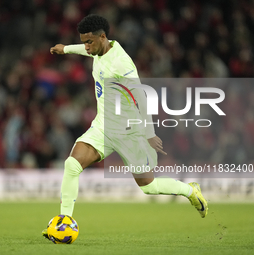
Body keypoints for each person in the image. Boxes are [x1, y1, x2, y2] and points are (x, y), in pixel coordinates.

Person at [43, 14, 207, 239]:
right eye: (84, 42)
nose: (86, 47)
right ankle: (64, 222)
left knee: (147, 185)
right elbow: (85, 49)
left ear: (103, 37)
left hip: (130, 133)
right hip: (103, 126)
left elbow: (141, 98)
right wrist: (67, 49)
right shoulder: (98, 49)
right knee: (72, 164)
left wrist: (149, 134)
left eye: (89, 42)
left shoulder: (122, 63)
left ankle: (190, 191)